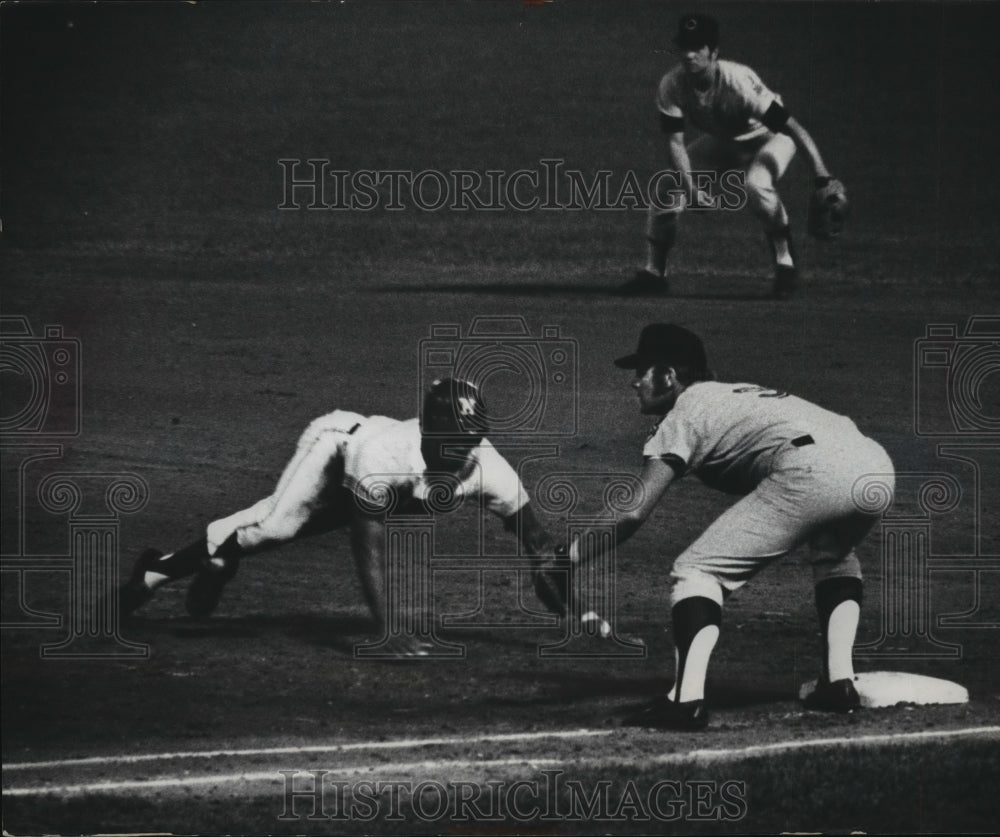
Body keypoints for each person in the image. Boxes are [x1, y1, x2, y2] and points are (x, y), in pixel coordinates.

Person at [581, 323, 894, 729]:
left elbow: (631, 511)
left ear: (670, 376)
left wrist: (568, 557)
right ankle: (838, 682)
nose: (635, 382)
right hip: (874, 467)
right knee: (834, 553)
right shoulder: (733, 393)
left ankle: (685, 700)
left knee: (697, 572)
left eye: (642, 370)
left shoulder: (687, 410)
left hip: (813, 471)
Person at [119, 378, 565, 656]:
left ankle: (157, 571)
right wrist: (387, 629)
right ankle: (212, 557)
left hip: (377, 485)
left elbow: (537, 538)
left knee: (262, 526)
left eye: (471, 439)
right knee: (277, 526)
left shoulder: (486, 466)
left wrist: (561, 587)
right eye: (455, 438)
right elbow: (365, 543)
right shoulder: (386, 455)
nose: (464, 449)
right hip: (335, 447)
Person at [619, 13, 840, 299]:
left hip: (771, 138)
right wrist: (691, 189)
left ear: (714, 52)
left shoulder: (738, 82)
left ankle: (785, 264)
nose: (689, 54)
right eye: (684, 46)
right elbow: (675, 144)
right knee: (667, 186)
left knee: (756, 184)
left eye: (697, 47)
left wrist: (822, 177)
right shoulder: (671, 85)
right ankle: (654, 273)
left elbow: (793, 128)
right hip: (726, 141)